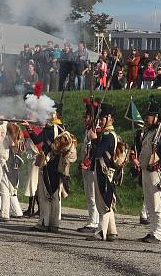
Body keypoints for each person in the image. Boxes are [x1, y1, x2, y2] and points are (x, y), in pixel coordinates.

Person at [24, 103, 76, 232]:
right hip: (59, 165)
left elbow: (37, 141)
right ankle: (54, 223)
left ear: (54, 114)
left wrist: (29, 129)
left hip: (49, 164)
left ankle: (44, 222)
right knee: (55, 194)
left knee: (44, 194)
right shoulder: (63, 129)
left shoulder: (49, 129)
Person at [132, 98, 161, 244]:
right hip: (146, 171)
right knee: (150, 204)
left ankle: (158, 234)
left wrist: (158, 164)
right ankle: (152, 231)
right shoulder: (150, 132)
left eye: (149, 115)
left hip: (157, 173)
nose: (146, 117)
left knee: (158, 204)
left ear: (156, 117)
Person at [84, 103, 119, 241]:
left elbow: (98, 152)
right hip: (102, 170)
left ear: (110, 118)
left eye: (103, 118)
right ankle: (112, 231)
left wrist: (93, 140)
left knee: (103, 202)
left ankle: (100, 232)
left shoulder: (109, 135)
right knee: (107, 202)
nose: (101, 121)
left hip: (104, 171)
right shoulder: (106, 134)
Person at [77, 98, 99, 233]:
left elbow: (95, 150)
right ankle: (92, 220)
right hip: (86, 166)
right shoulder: (87, 130)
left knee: (92, 195)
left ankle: (94, 222)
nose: (84, 119)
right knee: (89, 194)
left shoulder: (96, 131)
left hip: (92, 167)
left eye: (87, 116)